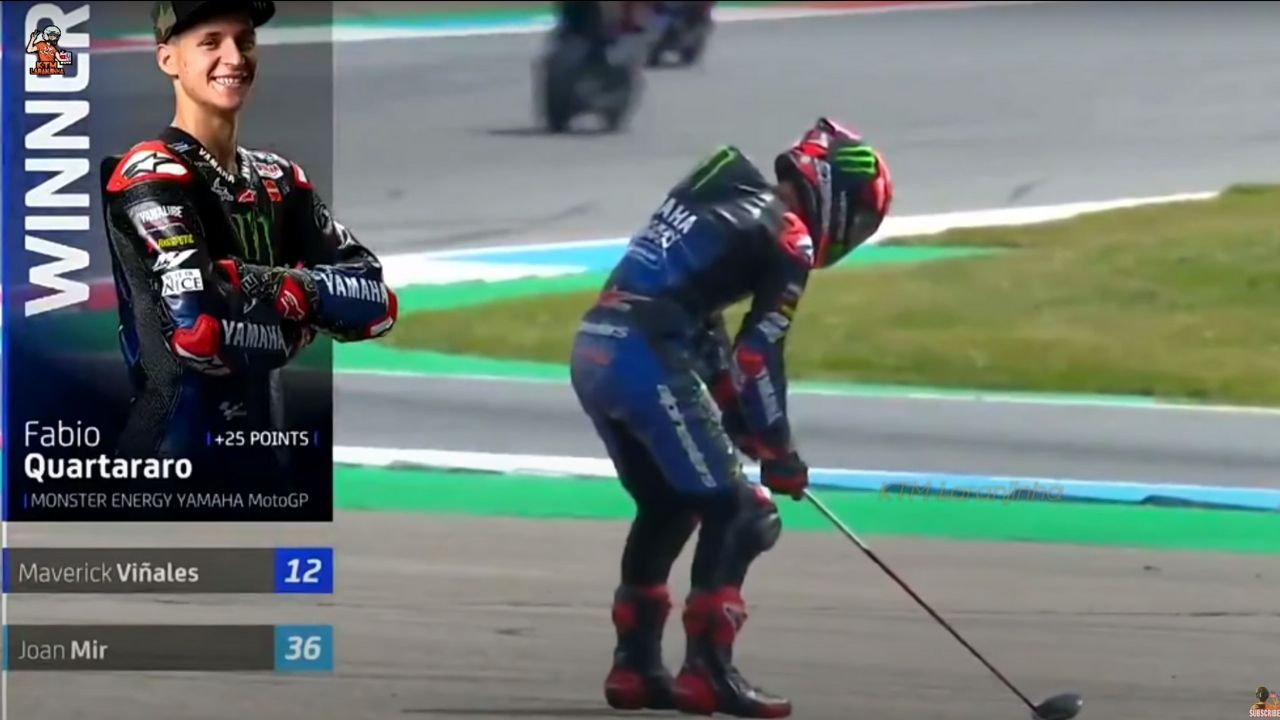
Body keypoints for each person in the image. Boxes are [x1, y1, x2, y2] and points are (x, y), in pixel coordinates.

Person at [569, 118, 893, 718]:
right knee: (744, 512)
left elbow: (700, 313)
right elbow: (757, 353)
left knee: (670, 506)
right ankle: (708, 672)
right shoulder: (789, 237)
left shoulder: (720, 183)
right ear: (837, 199)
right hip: (645, 358)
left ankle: (635, 667)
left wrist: (734, 413)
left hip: (594, 347)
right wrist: (778, 449)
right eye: (860, 223)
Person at [100, 0, 397, 469]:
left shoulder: (280, 178)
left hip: (265, 462)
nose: (235, 58)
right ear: (168, 59)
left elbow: (377, 302)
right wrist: (306, 313)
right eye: (211, 43)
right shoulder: (148, 175)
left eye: (245, 41)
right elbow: (199, 330)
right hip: (171, 467)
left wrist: (279, 288)